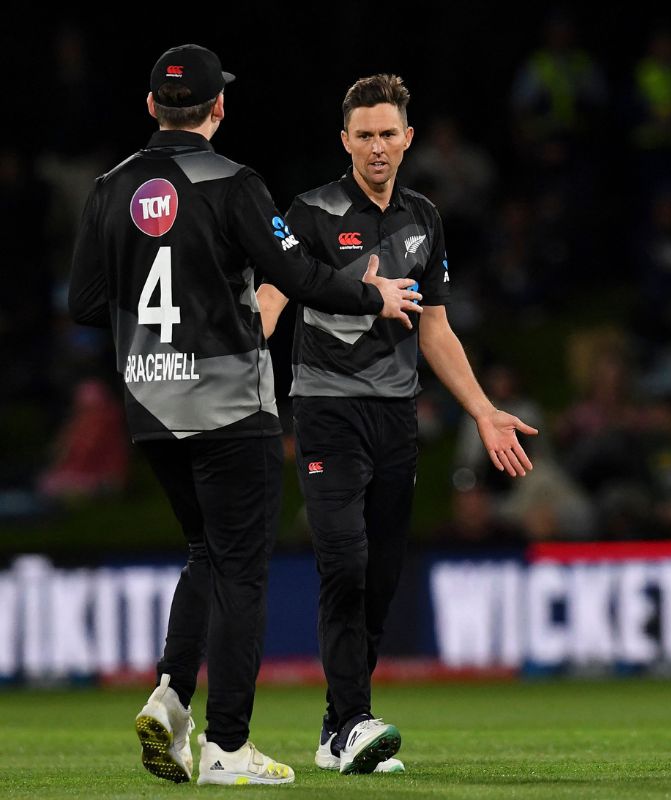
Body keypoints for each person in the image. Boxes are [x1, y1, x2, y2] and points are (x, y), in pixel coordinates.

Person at [66, 44, 420, 786]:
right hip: (230, 406)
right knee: (242, 574)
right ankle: (227, 746)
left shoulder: (108, 187)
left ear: (152, 107)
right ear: (218, 108)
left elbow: (87, 305)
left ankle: (169, 695)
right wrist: (373, 296)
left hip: (151, 404)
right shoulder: (233, 184)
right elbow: (294, 274)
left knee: (205, 555)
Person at [256, 73, 538, 776]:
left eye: (388, 134)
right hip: (324, 409)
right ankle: (355, 721)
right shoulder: (312, 212)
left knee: (379, 577)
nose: (377, 147)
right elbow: (270, 298)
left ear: (408, 139)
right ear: (344, 140)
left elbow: (435, 329)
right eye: (364, 135)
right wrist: (237, 377)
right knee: (343, 560)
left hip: (395, 415)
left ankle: (336, 725)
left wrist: (482, 410)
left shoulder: (423, 217)